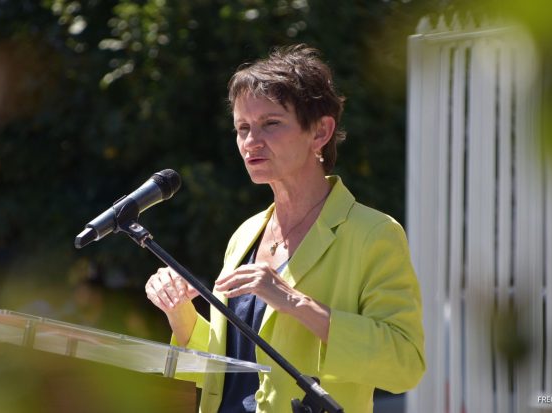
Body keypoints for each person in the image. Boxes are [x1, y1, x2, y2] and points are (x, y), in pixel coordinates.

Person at [145, 44, 425, 413]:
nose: (250, 142)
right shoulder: (245, 235)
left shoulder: (373, 233)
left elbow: (404, 364)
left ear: (321, 131)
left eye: (271, 124)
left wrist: (294, 302)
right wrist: (179, 311)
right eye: (242, 128)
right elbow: (226, 369)